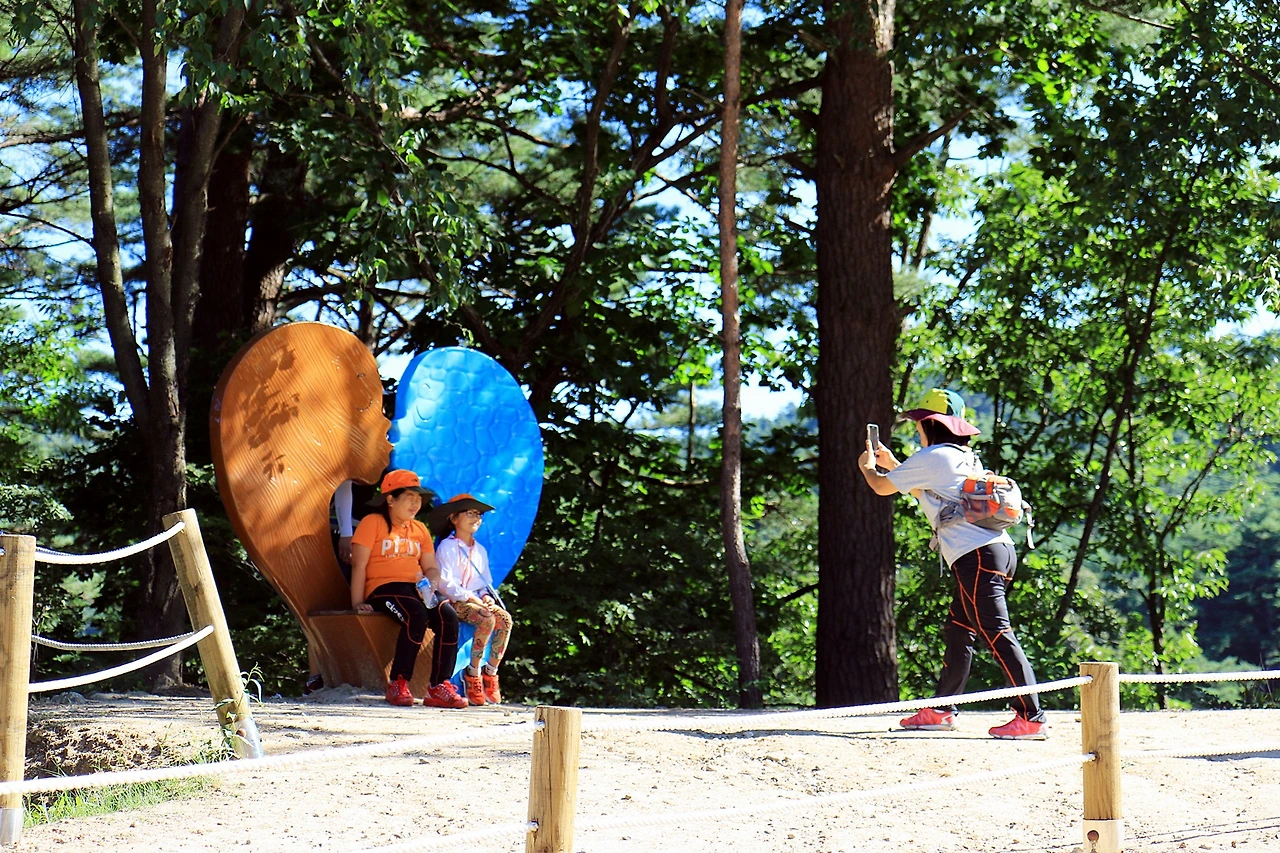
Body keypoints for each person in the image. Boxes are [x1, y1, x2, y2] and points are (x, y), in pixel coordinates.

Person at [858, 388, 1048, 741]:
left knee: (996, 633)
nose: (917, 430)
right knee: (960, 629)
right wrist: (893, 464)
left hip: (977, 557)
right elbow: (927, 492)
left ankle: (1031, 716)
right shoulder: (962, 457)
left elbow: (882, 488)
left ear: (931, 425)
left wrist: (869, 468)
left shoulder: (932, 456)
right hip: (997, 552)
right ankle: (942, 709)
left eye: (919, 424)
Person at [350, 469, 468, 709]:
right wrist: (357, 602)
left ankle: (439, 686)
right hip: (383, 586)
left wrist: (432, 582)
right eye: (410, 497)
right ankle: (399, 683)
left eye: (419, 498)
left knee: (448, 616)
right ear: (391, 499)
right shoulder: (372, 522)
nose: (416, 503)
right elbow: (359, 565)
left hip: (416, 588)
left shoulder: (420, 529)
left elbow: (431, 567)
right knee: (417, 613)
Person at [428, 494, 513, 706]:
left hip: (476, 600)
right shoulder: (447, 547)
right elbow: (445, 583)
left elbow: (484, 582)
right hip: (455, 600)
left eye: (478, 514)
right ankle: (472, 673)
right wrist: (473, 598)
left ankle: (490, 672)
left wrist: (486, 597)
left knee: (504, 619)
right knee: (487, 619)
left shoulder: (480, 551)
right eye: (470, 513)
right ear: (454, 518)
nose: (476, 518)